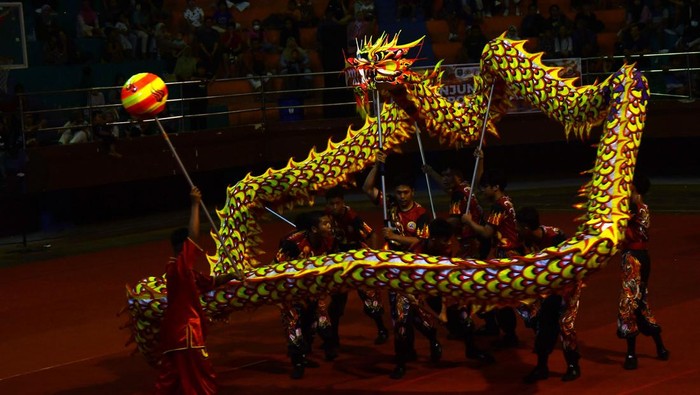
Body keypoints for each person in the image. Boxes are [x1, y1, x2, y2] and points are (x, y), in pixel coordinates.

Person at [363, 151, 442, 380]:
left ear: (413, 192)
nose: (402, 196)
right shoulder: (389, 205)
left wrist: (395, 237)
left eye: (406, 192)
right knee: (399, 317)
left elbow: (422, 240)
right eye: (398, 192)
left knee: (416, 314)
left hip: (414, 270)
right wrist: (377, 166)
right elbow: (368, 189)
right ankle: (402, 360)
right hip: (394, 270)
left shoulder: (421, 214)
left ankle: (432, 338)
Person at [155, 186, 236, 394]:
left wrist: (232, 276)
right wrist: (195, 205)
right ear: (182, 248)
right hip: (187, 334)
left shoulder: (185, 273)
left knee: (170, 379)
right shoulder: (177, 269)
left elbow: (208, 282)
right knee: (203, 377)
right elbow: (193, 237)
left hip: (177, 334)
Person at [515, 206, 581, 382]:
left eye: (518, 227)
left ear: (526, 228)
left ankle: (573, 366)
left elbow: (571, 264)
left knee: (566, 326)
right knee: (543, 325)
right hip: (548, 288)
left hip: (567, 286)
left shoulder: (556, 237)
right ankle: (541, 366)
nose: (516, 230)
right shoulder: (527, 241)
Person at [461, 168, 523, 347]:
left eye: (485, 187)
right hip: (510, 254)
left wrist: (468, 222)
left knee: (500, 299)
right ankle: (501, 329)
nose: (481, 191)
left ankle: (509, 335)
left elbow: (487, 233)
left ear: (495, 187)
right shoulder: (506, 201)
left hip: (507, 256)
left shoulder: (499, 206)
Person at [324, 186, 390, 352]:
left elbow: (372, 235)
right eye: (331, 204)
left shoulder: (353, 217)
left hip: (357, 258)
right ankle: (334, 337)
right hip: (339, 260)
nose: (334, 207)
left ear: (343, 202)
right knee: (337, 301)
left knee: (369, 298)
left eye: (337, 203)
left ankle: (382, 329)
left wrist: (373, 260)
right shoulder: (327, 216)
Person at [274, 210, 338, 379]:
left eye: (329, 223)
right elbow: (276, 268)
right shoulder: (292, 244)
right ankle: (298, 363)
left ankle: (308, 353)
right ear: (314, 229)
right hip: (290, 292)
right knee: (294, 326)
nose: (330, 226)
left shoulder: (330, 241)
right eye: (325, 223)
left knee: (317, 324)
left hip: (312, 290)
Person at [617, 173, 669, 370]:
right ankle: (660, 347)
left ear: (635, 188)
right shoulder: (640, 209)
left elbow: (631, 234)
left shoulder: (636, 210)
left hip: (634, 259)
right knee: (640, 302)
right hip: (637, 257)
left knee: (630, 303)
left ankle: (631, 354)